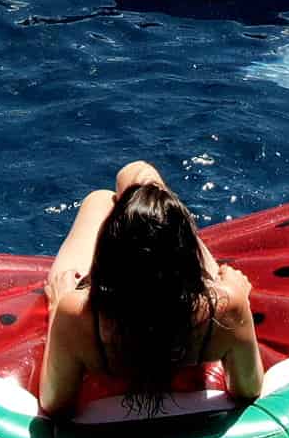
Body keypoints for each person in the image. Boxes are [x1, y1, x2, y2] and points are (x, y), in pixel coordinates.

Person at [39, 160, 264, 418]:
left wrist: (57, 306)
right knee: (155, 205)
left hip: (111, 306)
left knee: (99, 199)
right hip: (185, 303)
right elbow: (248, 389)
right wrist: (234, 293)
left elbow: (54, 402)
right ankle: (155, 212)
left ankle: (136, 210)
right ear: (189, 258)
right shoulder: (224, 307)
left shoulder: (77, 312)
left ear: (107, 255)